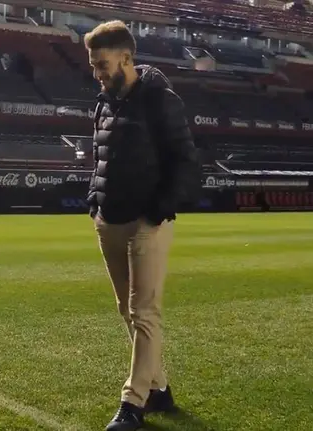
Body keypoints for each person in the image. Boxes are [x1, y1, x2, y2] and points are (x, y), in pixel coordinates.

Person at [84, 20, 200, 431]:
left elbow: (186, 161)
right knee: (125, 310)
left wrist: (159, 209)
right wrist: (94, 201)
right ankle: (160, 389)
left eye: (102, 64)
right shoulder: (104, 101)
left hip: (146, 220)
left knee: (143, 311)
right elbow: (98, 156)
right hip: (109, 218)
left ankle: (132, 403)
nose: (97, 73)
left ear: (126, 59)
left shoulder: (158, 99)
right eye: (94, 65)